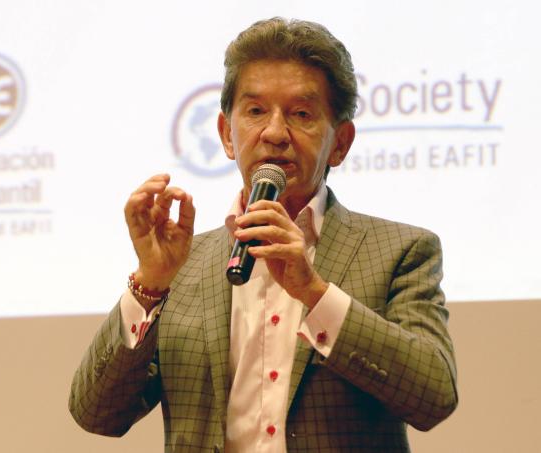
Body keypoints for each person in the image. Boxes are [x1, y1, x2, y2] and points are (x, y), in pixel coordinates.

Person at [69, 17, 458, 452]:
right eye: (255, 112)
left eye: (301, 114)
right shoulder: (182, 264)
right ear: (226, 134)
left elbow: (435, 397)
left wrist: (315, 293)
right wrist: (150, 284)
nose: (274, 133)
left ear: (340, 143)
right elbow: (96, 413)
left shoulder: (402, 252)